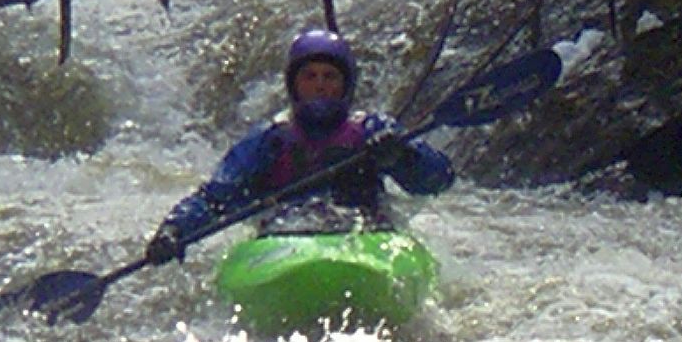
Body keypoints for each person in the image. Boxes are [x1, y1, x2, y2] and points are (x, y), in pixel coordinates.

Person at [143, 29, 454, 265]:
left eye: (330, 77)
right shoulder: (269, 139)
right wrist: (174, 230)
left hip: (365, 239)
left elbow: (438, 179)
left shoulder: (372, 130)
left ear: (345, 85)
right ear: (294, 84)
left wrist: (402, 156)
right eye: (310, 76)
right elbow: (215, 198)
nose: (320, 85)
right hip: (285, 243)